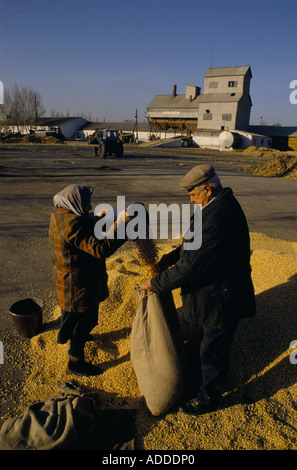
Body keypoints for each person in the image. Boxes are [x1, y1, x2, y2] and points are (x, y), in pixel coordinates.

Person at [141, 164, 256, 415]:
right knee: (207, 342)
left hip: (223, 296)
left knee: (213, 348)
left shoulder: (218, 216)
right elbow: (191, 245)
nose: (191, 200)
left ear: (207, 188)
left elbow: (193, 266)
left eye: (193, 194)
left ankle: (208, 398)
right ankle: (204, 375)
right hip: (217, 289)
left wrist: (156, 283)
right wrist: (168, 260)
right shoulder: (213, 206)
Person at [49, 184, 130, 376]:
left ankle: (77, 337)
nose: (90, 206)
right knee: (83, 318)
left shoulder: (60, 214)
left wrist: (96, 217)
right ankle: (75, 362)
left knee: (78, 316)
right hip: (77, 283)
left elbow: (82, 224)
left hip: (72, 279)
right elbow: (100, 249)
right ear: (75, 203)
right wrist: (120, 225)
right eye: (86, 203)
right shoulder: (72, 225)